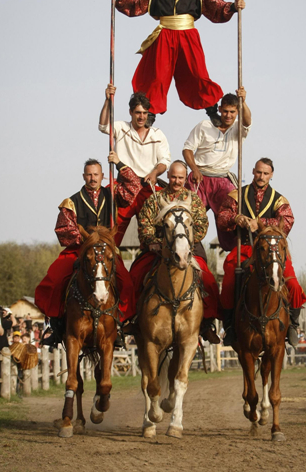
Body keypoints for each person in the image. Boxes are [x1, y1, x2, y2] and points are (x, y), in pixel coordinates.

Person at [107, 0, 245, 123]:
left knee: (198, 72)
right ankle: (150, 112)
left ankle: (210, 108)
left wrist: (232, 6)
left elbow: (217, 6)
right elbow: (134, 0)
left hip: (188, 34)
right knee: (158, 75)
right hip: (164, 34)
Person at [35, 158, 141, 348]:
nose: (93, 178)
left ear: (102, 176)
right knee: (55, 279)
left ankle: (120, 324)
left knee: (126, 283)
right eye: (89, 175)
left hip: (107, 251)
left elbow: (135, 186)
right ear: (84, 176)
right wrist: (87, 242)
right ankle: (56, 325)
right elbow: (64, 228)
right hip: (81, 250)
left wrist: (119, 164)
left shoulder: (114, 194)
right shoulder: (71, 201)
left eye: (96, 174)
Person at [217, 158, 306, 347]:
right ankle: (231, 327)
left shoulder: (279, 199)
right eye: (259, 172)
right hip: (245, 247)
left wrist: (260, 223)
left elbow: (287, 221)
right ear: (253, 171)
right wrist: (237, 218)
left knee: (294, 285)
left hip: (272, 248)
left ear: (271, 175)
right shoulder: (237, 195)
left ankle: (292, 325)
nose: (261, 176)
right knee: (228, 284)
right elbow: (222, 217)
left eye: (266, 173)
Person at [129, 160, 221, 344]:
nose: (177, 181)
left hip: (189, 247)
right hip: (158, 249)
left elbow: (202, 224)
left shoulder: (193, 199)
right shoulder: (155, 198)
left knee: (208, 280)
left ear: (184, 178)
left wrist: (187, 242)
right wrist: (153, 242)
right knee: (135, 275)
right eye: (173, 177)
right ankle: (132, 319)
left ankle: (207, 323)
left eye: (180, 177)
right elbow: (145, 224)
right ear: (168, 176)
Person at [99, 86, 171, 245]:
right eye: (138, 112)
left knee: (154, 232)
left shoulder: (157, 134)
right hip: (125, 188)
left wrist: (154, 173)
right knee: (112, 235)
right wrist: (108, 100)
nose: (141, 117)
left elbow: (165, 161)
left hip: (147, 187)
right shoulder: (121, 128)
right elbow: (103, 126)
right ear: (131, 112)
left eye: (145, 113)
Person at [183, 87, 252, 250]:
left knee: (231, 217)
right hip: (199, 177)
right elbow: (187, 149)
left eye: (232, 112)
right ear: (220, 109)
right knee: (187, 215)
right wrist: (195, 169)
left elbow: (248, 121)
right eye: (226, 111)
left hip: (222, 179)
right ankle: (186, 250)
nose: (228, 115)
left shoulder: (237, 128)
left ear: (237, 112)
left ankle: (234, 256)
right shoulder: (204, 126)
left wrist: (243, 101)